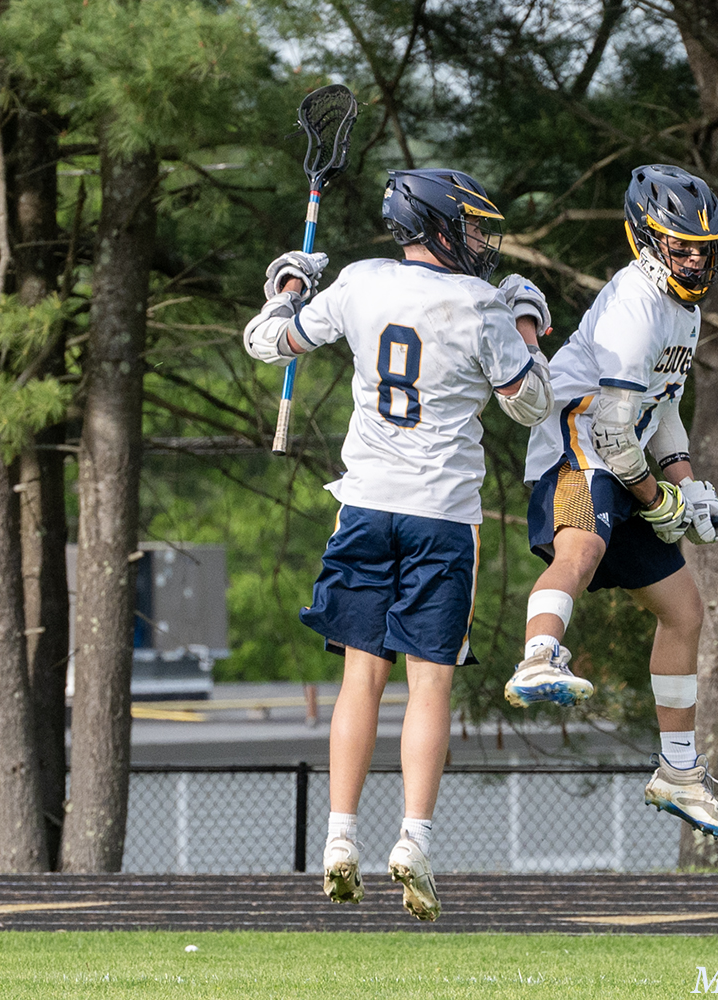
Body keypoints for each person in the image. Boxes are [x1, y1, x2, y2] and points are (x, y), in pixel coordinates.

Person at [243, 168, 554, 919]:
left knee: (361, 678)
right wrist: (525, 323)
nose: (479, 241)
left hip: (365, 506)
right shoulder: (480, 303)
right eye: (470, 227)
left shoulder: (359, 282)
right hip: (442, 516)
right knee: (430, 684)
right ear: (438, 226)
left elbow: (266, 342)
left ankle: (339, 838)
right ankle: (413, 840)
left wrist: (288, 287)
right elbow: (532, 403)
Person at [504, 164, 718, 842]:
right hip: (580, 443)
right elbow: (611, 427)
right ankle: (539, 654)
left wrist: (687, 485)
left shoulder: (684, 310)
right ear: (647, 238)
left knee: (684, 611)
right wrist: (657, 499)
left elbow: (660, 410)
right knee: (582, 548)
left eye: (704, 248)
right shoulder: (636, 300)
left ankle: (678, 772)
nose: (694, 259)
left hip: (625, 456)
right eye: (681, 245)